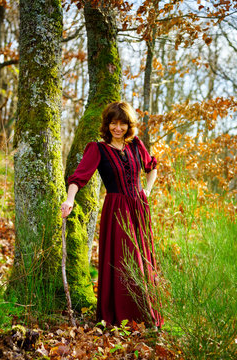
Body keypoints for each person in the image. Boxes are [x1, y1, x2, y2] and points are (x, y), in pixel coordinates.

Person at [61, 101, 163, 328]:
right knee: (126, 261)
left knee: (143, 260)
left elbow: (152, 167)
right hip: (117, 210)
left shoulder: (136, 145)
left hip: (139, 207)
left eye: (123, 124)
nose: (118, 128)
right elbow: (79, 178)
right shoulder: (97, 149)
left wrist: (146, 190)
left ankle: (147, 314)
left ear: (129, 125)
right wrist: (69, 199)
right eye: (113, 123)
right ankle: (124, 316)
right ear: (107, 125)